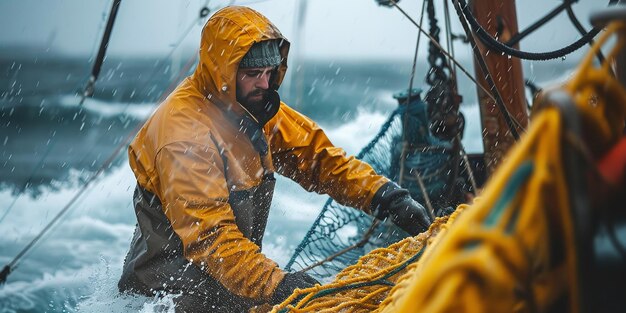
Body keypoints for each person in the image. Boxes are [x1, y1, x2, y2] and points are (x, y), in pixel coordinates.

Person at [118, 6, 432, 312]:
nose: (266, 84)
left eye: (270, 73)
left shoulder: (252, 107)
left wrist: (384, 196)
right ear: (222, 70)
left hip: (230, 292)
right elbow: (212, 239)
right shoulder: (183, 137)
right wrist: (278, 284)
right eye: (253, 74)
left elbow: (319, 159)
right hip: (164, 301)